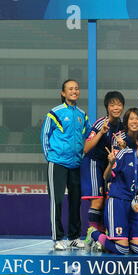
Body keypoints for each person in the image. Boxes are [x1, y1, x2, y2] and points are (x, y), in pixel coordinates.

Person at [84, 128, 138, 255]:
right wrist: (111, 163)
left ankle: (109, 242)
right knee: (122, 250)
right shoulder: (125, 154)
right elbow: (106, 177)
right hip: (117, 202)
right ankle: (94, 234)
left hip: (133, 205)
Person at [41, 79, 90, 251]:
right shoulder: (54, 113)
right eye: (70, 89)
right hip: (58, 163)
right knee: (57, 200)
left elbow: (87, 137)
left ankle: (75, 237)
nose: (74, 91)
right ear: (63, 93)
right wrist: (51, 158)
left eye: (77, 88)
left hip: (76, 164)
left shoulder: (82, 114)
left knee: (75, 202)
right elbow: (45, 136)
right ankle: (58, 238)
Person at [81, 91, 125, 238]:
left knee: (107, 199)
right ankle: (91, 233)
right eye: (112, 105)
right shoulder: (100, 123)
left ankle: (99, 233)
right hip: (93, 162)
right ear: (107, 107)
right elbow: (86, 149)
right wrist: (101, 133)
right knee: (98, 200)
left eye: (119, 104)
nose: (116, 108)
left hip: (109, 164)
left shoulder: (122, 127)